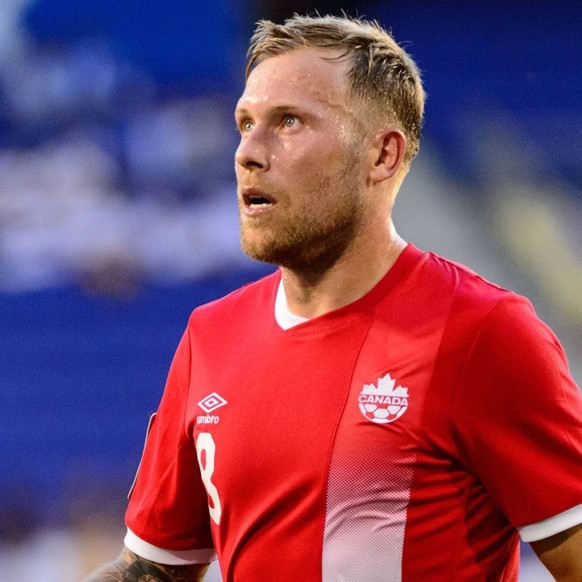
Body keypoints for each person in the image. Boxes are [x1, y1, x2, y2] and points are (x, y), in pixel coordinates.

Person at [84, 14, 582, 582]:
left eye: (288, 122)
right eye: (245, 124)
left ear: (382, 157)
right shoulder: (210, 335)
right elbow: (154, 571)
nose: (248, 152)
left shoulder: (483, 332)